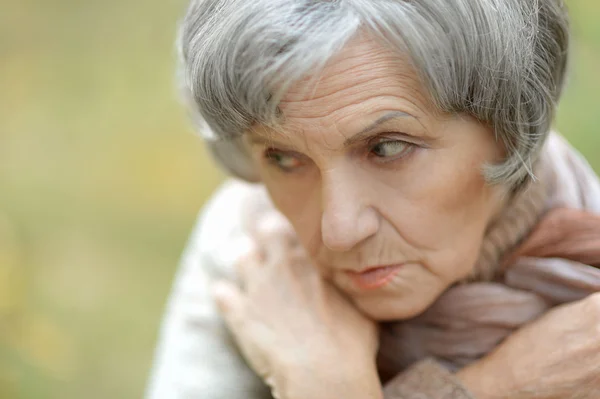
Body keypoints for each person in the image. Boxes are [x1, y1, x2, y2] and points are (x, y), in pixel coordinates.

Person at [146, 0, 600, 398]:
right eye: (283, 158)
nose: (339, 232)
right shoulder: (252, 247)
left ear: (514, 126)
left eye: (387, 147)